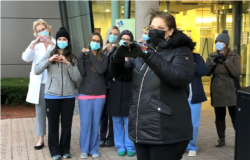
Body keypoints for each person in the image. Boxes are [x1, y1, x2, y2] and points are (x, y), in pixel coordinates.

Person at [110, 10, 195, 160]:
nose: (155, 31)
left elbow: (179, 77)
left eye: (160, 28)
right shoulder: (144, 51)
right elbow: (123, 75)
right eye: (152, 27)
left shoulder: (181, 51)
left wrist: (149, 54)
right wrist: (117, 58)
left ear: (171, 31)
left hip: (166, 131)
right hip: (141, 128)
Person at [34, 27, 80, 160]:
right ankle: (54, 151)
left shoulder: (72, 58)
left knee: (67, 125)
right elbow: (36, 70)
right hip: (51, 96)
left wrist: (67, 63)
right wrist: (49, 60)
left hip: (68, 96)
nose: (61, 41)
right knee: (53, 125)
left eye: (64, 39)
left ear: (68, 42)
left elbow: (77, 77)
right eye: (59, 39)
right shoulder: (49, 53)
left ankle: (65, 149)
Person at [22, 19, 55, 150]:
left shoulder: (56, 42)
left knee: (54, 112)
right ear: (36, 33)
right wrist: (33, 44)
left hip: (54, 82)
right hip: (40, 83)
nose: (42, 32)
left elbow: (62, 53)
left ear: (48, 29)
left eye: (43, 29)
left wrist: (50, 42)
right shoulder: (34, 44)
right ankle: (41, 139)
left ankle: (54, 137)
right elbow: (25, 58)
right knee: (40, 111)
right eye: (39, 31)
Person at [206, 30, 241, 148]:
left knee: (235, 116)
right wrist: (213, 62)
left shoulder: (234, 56)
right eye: (217, 41)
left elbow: (237, 73)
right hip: (218, 89)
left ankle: (240, 138)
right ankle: (221, 138)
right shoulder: (211, 56)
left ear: (226, 43)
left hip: (231, 89)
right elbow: (206, 72)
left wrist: (226, 61)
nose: (218, 43)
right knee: (219, 116)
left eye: (220, 41)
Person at [77, 33, 108, 158]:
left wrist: (90, 54)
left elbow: (101, 70)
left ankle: (94, 149)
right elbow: (82, 72)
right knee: (85, 123)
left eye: (97, 41)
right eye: (93, 40)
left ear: (100, 44)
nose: (95, 42)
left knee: (96, 123)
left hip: (100, 94)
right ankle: (84, 149)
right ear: (89, 41)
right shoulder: (84, 57)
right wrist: (81, 55)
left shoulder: (104, 57)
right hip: (85, 93)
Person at [106, 30, 136, 157]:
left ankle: (130, 146)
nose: (125, 41)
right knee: (117, 121)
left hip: (130, 92)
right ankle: (120, 145)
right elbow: (108, 73)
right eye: (123, 38)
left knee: (129, 121)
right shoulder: (113, 55)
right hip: (115, 91)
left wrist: (129, 59)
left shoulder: (135, 56)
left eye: (127, 39)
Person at [99, 26, 120, 147]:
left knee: (112, 114)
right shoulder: (102, 50)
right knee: (103, 114)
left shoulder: (118, 49)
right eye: (111, 33)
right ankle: (102, 136)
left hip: (114, 85)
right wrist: (104, 52)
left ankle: (111, 137)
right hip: (102, 85)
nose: (113, 36)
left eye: (115, 34)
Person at [187, 53, 207, 157]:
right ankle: (180, 146)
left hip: (194, 97)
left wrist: (191, 63)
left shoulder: (197, 57)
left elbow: (204, 71)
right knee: (179, 124)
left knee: (193, 124)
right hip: (179, 98)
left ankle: (192, 146)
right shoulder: (174, 56)